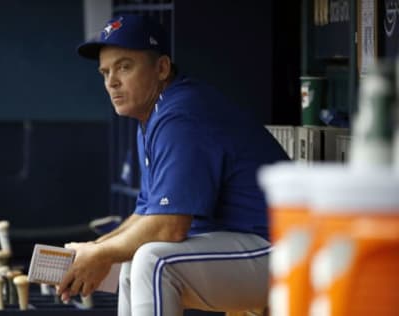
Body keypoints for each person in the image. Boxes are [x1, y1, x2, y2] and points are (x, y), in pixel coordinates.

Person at [58, 14, 289, 315]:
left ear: (162, 68)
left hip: (283, 250)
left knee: (154, 261)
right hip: (247, 248)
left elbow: (170, 227)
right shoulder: (154, 116)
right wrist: (94, 251)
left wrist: (100, 253)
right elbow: (146, 216)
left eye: (124, 67)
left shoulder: (182, 114)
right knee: (132, 256)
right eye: (104, 72)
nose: (111, 82)